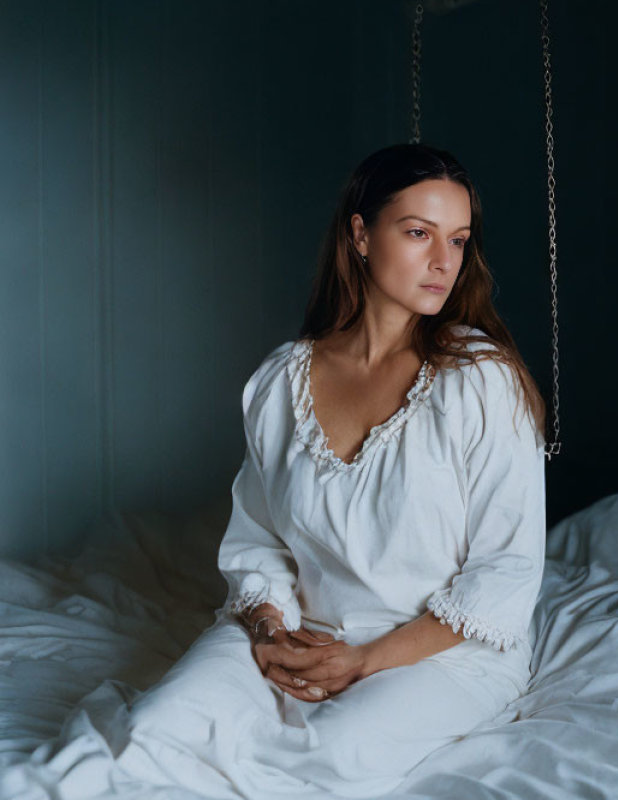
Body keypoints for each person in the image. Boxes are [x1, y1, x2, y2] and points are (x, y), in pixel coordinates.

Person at [3, 143, 547, 800]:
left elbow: (507, 570)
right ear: (360, 234)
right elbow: (260, 538)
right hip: (301, 629)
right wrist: (271, 629)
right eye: (417, 232)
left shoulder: (479, 381)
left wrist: (364, 660)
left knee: (326, 762)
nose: (443, 262)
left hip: (443, 653)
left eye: (458, 240)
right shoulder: (280, 382)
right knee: (156, 729)